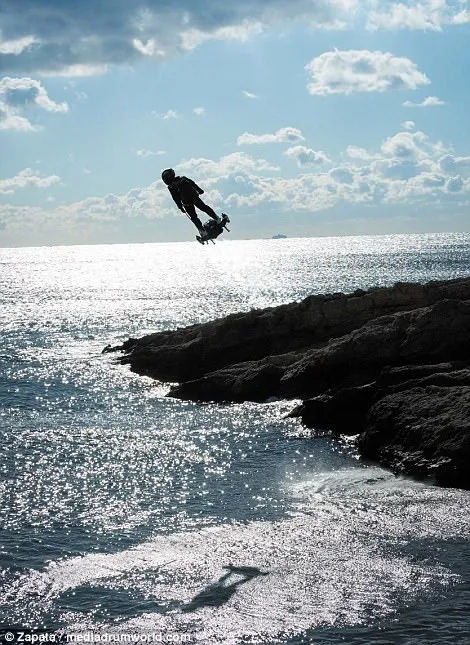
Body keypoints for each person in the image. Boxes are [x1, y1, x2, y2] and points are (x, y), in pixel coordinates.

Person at [161, 168, 221, 234]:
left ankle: (202, 230)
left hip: (186, 203)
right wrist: (200, 190)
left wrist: (180, 207)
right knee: (205, 208)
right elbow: (193, 183)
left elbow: (175, 198)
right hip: (195, 197)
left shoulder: (171, 187)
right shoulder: (183, 178)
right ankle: (217, 218)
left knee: (193, 217)